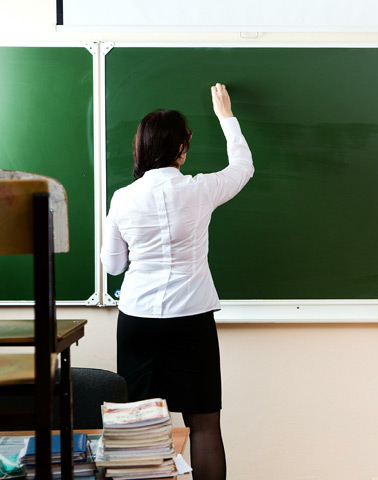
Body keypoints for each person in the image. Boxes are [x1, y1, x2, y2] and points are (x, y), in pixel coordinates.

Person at [100, 83, 254, 480]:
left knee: (139, 426)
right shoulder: (200, 189)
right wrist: (226, 117)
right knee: (204, 424)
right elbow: (243, 167)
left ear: (141, 148)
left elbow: (113, 266)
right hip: (191, 318)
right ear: (181, 149)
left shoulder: (122, 198)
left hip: (138, 320)